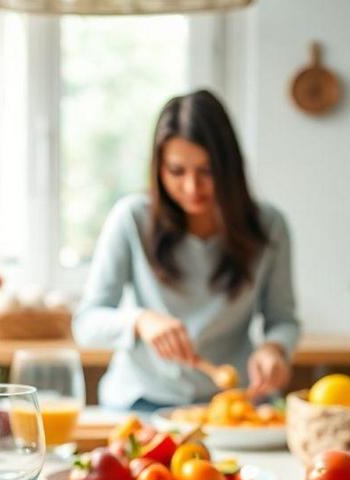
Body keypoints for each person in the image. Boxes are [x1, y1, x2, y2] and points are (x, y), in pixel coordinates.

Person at [72, 89, 299, 412]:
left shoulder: (269, 225)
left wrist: (276, 349)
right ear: (159, 169)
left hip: (233, 405)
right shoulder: (132, 218)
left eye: (207, 172)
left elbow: (283, 319)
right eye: (177, 172)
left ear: (229, 168)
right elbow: (86, 323)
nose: (192, 187)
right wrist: (140, 321)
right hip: (139, 403)